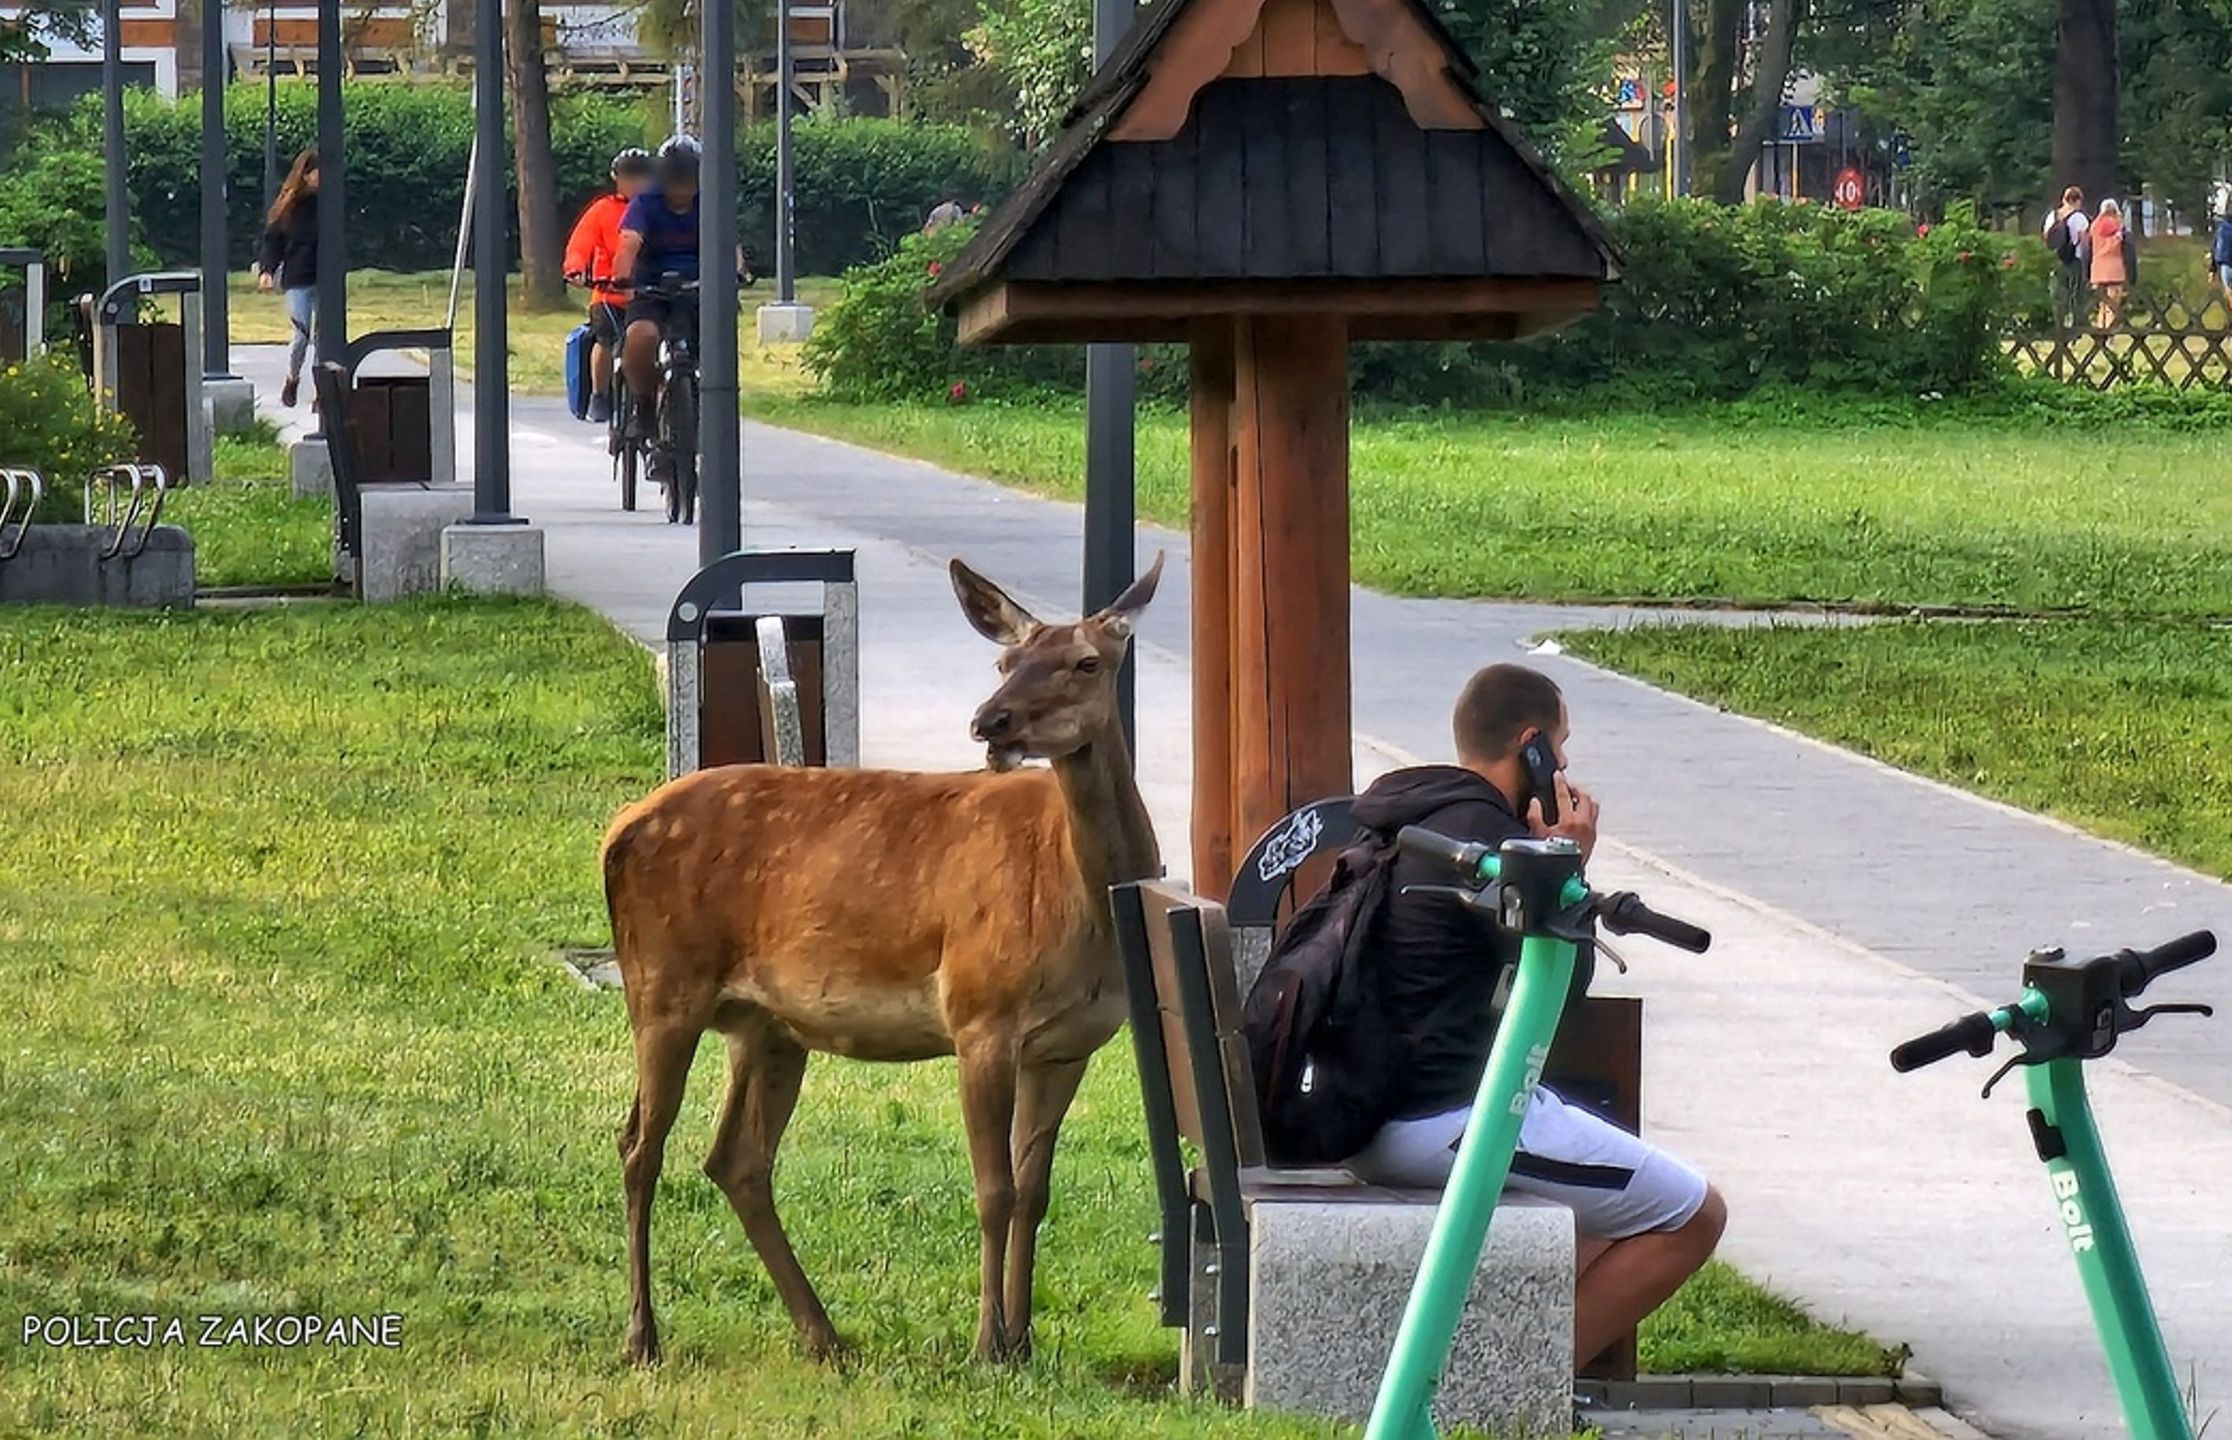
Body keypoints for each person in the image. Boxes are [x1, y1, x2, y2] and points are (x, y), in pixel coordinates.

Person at [1340, 662, 1727, 1372]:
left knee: (1598, 1219)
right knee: (1692, 1215)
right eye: (1561, 745)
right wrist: (1570, 866)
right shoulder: (1495, 845)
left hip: (1371, 1105)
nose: (1568, 765)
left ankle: (1502, 1377)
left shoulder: (1418, 817)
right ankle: (1513, 1400)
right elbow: (1557, 999)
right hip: (1442, 1118)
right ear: (1530, 746)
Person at [611, 136, 704, 467]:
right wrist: (622, 276)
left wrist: (736, 271)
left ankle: (707, 406)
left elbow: (728, 244)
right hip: (651, 288)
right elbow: (629, 242)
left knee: (716, 346)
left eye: (688, 178)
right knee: (641, 337)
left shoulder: (710, 201)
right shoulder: (646, 203)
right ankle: (644, 402)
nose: (681, 188)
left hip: (698, 288)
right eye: (674, 178)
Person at [564, 147, 656, 425]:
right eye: (629, 176)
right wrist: (575, 269)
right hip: (610, 295)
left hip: (649, 293)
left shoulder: (658, 207)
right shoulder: (603, 210)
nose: (635, 183)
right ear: (616, 177)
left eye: (641, 176)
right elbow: (580, 244)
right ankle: (600, 395)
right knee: (605, 338)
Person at [255, 149, 320, 409]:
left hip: (324, 277)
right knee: (302, 335)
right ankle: (292, 377)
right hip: (298, 277)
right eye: (317, 172)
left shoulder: (330, 204)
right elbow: (273, 241)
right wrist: (267, 270)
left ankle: (322, 392)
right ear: (305, 175)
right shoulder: (290, 207)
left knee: (325, 338)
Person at [2043, 186, 2090, 330]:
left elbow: (2045, 236)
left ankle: (2058, 321)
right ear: (2078, 201)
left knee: (2058, 291)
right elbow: (2084, 240)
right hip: (2073, 258)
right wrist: (2087, 260)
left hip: (2056, 258)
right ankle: (2077, 323)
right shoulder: (2079, 217)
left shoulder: (2052, 215)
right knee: (2076, 292)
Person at [2085, 198, 2131, 328]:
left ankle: (2101, 328)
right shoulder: (2115, 225)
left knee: (2102, 304)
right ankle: (2109, 332)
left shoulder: (2094, 225)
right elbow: (2120, 243)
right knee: (2113, 303)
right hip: (2114, 270)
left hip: (2098, 270)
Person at [2213, 205, 2232, 308]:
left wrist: (2213, 269)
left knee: (2229, 294)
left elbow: (2215, 247)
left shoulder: (2222, 227)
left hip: (2225, 265)